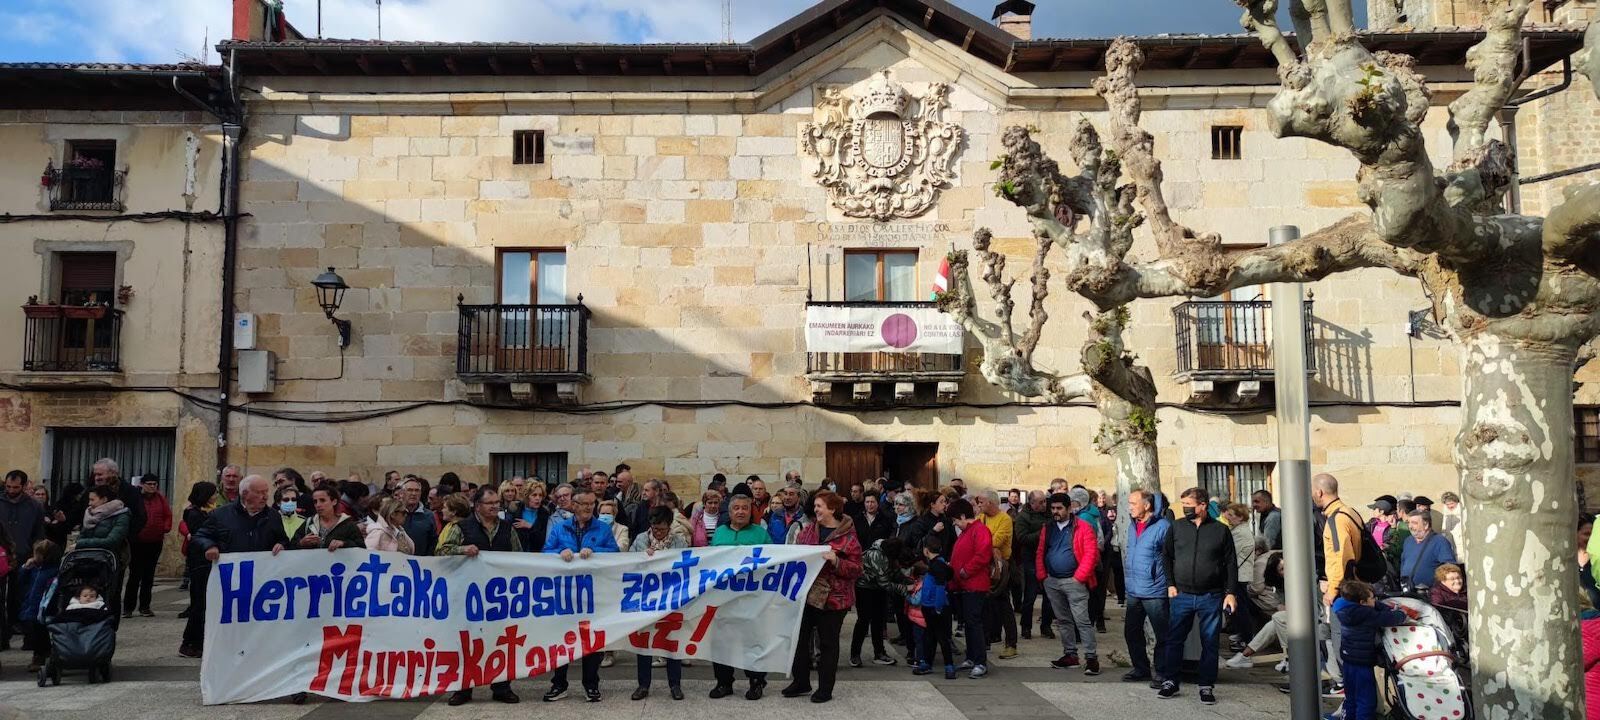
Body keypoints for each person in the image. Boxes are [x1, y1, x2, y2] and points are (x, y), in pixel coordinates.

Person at [181, 475, 287, 658]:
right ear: (245, 494)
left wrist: (282, 545)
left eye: (266, 492)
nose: (265, 497)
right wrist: (210, 546)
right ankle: (197, 644)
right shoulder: (221, 515)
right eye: (260, 493)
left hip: (259, 578)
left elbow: (282, 538)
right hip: (228, 578)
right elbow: (200, 536)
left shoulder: (272, 516)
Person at [437, 487, 521, 706]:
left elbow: (519, 556)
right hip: (466, 595)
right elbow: (440, 552)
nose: (495, 506)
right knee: (466, 642)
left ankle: (501, 686)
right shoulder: (459, 527)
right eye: (489, 503)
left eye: (497, 503)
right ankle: (463, 689)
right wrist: (462, 550)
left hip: (499, 596)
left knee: (500, 641)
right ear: (477, 505)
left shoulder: (507, 528)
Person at [1158, 487, 1239, 705]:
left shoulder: (1221, 531)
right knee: (1174, 639)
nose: (1185, 509)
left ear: (1202, 506)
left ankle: (1206, 685)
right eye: (1183, 505)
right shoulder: (1176, 528)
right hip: (1181, 594)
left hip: (1211, 596)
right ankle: (1170, 681)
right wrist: (1170, 584)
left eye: (1189, 506)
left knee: (1210, 642)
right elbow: (1166, 557)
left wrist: (1230, 593)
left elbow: (1231, 563)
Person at [784, 490, 862, 703]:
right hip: (808, 594)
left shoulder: (849, 537)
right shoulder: (809, 531)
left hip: (834, 599)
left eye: (820, 506)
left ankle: (825, 688)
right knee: (800, 640)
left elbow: (856, 569)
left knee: (828, 643)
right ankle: (801, 681)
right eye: (815, 506)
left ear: (832, 509)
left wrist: (836, 562)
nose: (815, 510)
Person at [544, 490, 618, 703]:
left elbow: (614, 553)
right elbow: (545, 551)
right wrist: (559, 553)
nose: (588, 508)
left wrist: (593, 550)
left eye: (591, 504)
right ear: (573, 505)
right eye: (583, 504)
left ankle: (591, 685)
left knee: (591, 641)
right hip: (564, 594)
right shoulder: (559, 528)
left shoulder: (603, 529)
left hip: (593, 594)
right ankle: (559, 684)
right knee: (560, 639)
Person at [709, 492, 772, 700]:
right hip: (723, 598)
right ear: (730, 511)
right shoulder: (719, 533)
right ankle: (724, 682)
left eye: (745, 508)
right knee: (722, 641)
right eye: (736, 508)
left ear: (750, 511)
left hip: (751, 598)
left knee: (752, 640)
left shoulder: (760, 534)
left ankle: (756, 681)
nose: (741, 512)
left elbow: (774, 560)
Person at [629, 506, 687, 701]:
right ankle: (643, 685)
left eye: (662, 529)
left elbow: (685, 566)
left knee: (671, 642)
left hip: (670, 598)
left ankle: (675, 684)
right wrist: (642, 558)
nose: (658, 532)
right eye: (655, 528)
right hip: (646, 598)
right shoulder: (640, 540)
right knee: (644, 643)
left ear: (669, 526)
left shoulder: (679, 541)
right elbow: (628, 564)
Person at [1039, 490, 1100, 675]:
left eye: (1059, 508)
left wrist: (1079, 577)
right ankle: (1070, 654)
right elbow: (1040, 551)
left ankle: (1091, 658)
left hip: (1074, 581)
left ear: (1069, 508)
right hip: (1053, 580)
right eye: (1053, 508)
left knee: (1082, 621)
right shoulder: (1048, 528)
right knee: (1063, 620)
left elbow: (1091, 554)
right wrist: (1043, 576)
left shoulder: (1082, 527)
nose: (1055, 511)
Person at [1333, 580, 1410, 720]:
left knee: (1351, 696)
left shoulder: (1344, 607)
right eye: (1372, 598)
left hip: (1348, 659)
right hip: (1363, 662)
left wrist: (1379, 605)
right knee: (1366, 700)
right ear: (1362, 602)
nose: (1375, 600)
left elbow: (1375, 606)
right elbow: (1388, 618)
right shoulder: (1366, 614)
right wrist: (1402, 614)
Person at [1315, 473, 1364, 689]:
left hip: (1345, 591)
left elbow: (1340, 556)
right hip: (1356, 587)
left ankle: (1349, 696)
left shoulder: (1336, 519)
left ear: (1319, 493)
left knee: (1342, 645)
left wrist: (1332, 590)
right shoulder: (1350, 512)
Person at [1122, 489, 1172, 686]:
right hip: (1134, 589)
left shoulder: (1163, 527)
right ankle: (1140, 668)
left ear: (1147, 505)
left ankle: (1162, 672)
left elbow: (1169, 557)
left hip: (1155, 590)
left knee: (1162, 633)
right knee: (1131, 632)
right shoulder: (1132, 526)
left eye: (1133, 503)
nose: (1130, 507)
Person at [947, 497, 992, 678]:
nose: (956, 524)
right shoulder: (967, 532)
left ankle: (980, 661)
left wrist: (965, 570)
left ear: (964, 516)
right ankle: (972, 657)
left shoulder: (980, 530)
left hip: (974, 584)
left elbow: (983, 555)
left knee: (974, 623)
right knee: (969, 623)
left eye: (956, 520)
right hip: (964, 585)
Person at [974, 490, 1017, 659]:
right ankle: (985, 640)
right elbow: (974, 536)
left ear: (991, 503)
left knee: (1004, 604)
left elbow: (996, 541)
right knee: (984, 604)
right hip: (985, 565)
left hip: (1000, 567)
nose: (979, 505)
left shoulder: (1004, 519)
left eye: (981, 502)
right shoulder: (981, 518)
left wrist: (982, 541)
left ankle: (1011, 644)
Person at [122, 475, 171, 618]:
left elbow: (167, 514)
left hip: (155, 541)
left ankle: (145, 607)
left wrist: (165, 527)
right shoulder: (135, 497)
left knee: (149, 576)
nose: (152, 486)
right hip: (137, 541)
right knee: (135, 575)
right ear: (142, 484)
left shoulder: (161, 498)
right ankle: (128, 608)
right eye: (149, 484)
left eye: (155, 484)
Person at [851, 535, 903, 668]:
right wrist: (905, 588)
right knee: (863, 620)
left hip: (877, 588)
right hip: (864, 588)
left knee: (879, 621)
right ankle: (855, 654)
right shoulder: (876, 555)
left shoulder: (887, 554)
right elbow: (884, 582)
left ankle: (879, 653)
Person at [911, 535, 956, 678]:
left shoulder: (937, 566)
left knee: (940, 637)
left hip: (934, 607)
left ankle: (948, 666)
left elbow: (940, 587)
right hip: (931, 606)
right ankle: (928, 662)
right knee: (931, 636)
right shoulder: (939, 564)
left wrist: (937, 607)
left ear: (926, 551)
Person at [1014, 489, 1054, 640]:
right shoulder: (1023, 517)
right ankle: (1026, 627)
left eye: (1045, 501)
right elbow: (1022, 538)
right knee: (1030, 595)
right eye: (1041, 502)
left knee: (1049, 595)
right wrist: (1041, 533)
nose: (1044, 504)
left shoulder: (1049, 514)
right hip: (1030, 558)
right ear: (1032, 503)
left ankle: (1046, 625)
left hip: (1047, 557)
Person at [176, 482, 216, 621]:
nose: (215, 497)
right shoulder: (194, 513)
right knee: (198, 586)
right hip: (198, 555)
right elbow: (199, 533)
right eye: (212, 494)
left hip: (200, 554)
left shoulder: (201, 511)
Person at [19, 539, 61, 672]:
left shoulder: (52, 571)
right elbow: (21, 581)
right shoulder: (35, 569)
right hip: (32, 605)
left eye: (37, 554)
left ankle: (41, 655)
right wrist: (25, 568)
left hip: (44, 607)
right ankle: (42, 653)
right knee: (35, 631)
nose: (34, 557)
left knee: (40, 632)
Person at [76, 484, 132, 571]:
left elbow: (111, 541)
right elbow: (82, 535)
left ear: (104, 499)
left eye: (92, 500)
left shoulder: (121, 516)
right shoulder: (90, 515)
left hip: (109, 561)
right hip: (87, 559)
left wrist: (82, 543)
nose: (89, 503)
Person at [1399, 510, 1455, 590]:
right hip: (1407, 591)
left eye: (1414, 523)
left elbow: (1449, 568)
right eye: (1408, 523)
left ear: (1426, 525)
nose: (1410, 526)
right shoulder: (1408, 541)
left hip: (1429, 594)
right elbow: (1403, 562)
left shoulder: (1439, 541)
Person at [91, 458, 145, 538]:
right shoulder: (91, 492)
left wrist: (123, 536)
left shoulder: (130, 492)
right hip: (94, 542)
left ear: (113, 473)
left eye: (100, 474)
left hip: (122, 543)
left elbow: (140, 518)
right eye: (95, 475)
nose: (96, 478)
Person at [299, 487, 365, 551]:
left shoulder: (348, 525)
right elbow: (291, 547)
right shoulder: (308, 523)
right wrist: (301, 543)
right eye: (315, 502)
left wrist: (344, 544)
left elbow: (362, 549)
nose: (318, 505)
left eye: (322, 500)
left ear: (334, 501)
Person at [397, 478, 438, 555]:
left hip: (421, 563)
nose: (413, 493)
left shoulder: (429, 515)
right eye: (410, 490)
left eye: (417, 490)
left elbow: (433, 542)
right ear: (401, 493)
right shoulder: (394, 513)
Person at [514, 481, 553, 553]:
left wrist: (530, 526)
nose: (538, 498)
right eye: (534, 495)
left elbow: (543, 539)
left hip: (537, 555)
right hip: (519, 555)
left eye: (540, 495)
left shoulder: (544, 514)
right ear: (527, 496)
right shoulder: (516, 511)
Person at [1439, 491, 1465, 561]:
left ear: (1457, 502)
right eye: (1447, 504)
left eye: (1452, 503)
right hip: (1450, 543)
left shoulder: (1462, 513)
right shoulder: (1446, 513)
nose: (1450, 506)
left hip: (1461, 544)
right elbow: (1444, 529)